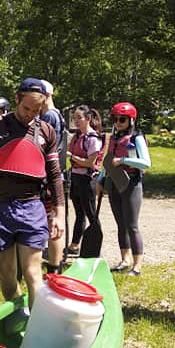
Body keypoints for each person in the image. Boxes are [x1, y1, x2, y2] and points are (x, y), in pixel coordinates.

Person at [0, 78, 66, 310]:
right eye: (26, 108)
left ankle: (34, 329)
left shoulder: (46, 130)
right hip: (0, 208)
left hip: (32, 207)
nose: (30, 115)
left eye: (36, 110)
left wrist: (60, 212)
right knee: (7, 274)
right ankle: (16, 317)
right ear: (16, 98)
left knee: (33, 273)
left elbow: (55, 174)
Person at [96, 102, 151, 275]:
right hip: (114, 184)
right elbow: (107, 162)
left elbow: (146, 163)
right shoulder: (113, 138)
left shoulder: (137, 138)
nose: (118, 122)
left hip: (132, 184)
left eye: (122, 119)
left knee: (131, 225)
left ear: (131, 120)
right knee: (121, 224)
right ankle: (124, 259)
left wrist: (123, 161)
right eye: (115, 119)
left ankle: (137, 265)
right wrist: (100, 179)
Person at [66, 105, 105, 254]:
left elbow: (90, 162)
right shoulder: (77, 137)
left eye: (79, 118)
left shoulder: (93, 138)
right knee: (79, 213)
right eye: (74, 118)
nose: (76, 121)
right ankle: (75, 244)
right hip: (76, 177)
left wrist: (72, 157)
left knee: (91, 214)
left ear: (88, 119)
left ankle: (95, 246)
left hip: (87, 179)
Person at [39, 80, 66, 270]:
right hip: (55, 172)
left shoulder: (48, 116)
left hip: (47, 176)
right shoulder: (58, 115)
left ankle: (54, 266)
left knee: (51, 220)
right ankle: (54, 265)